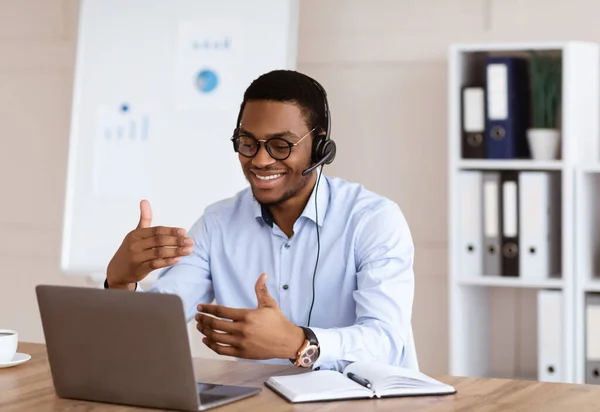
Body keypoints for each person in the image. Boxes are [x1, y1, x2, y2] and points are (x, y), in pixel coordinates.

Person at [104, 69, 417, 372]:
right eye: (248, 143)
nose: (260, 160)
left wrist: (299, 342)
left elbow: (388, 342)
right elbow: (150, 332)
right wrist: (120, 283)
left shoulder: (372, 220)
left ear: (320, 146)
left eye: (281, 146)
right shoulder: (218, 223)